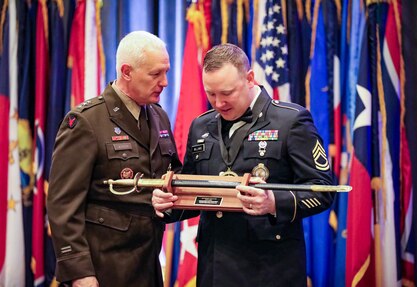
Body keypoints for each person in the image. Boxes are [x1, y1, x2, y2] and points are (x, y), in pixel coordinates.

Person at [152, 43, 334, 286]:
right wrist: (169, 204)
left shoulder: (291, 121)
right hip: (214, 269)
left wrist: (273, 203)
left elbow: (322, 190)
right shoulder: (200, 126)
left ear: (250, 79)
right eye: (211, 94)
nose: (218, 103)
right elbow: (194, 192)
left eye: (227, 93)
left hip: (271, 270)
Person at [47, 31, 182, 287]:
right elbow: (63, 204)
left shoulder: (158, 116)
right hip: (103, 268)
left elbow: (172, 176)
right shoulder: (87, 121)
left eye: (166, 72)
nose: (165, 82)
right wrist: (79, 273)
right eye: (155, 74)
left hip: (148, 265)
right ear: (126, 71)